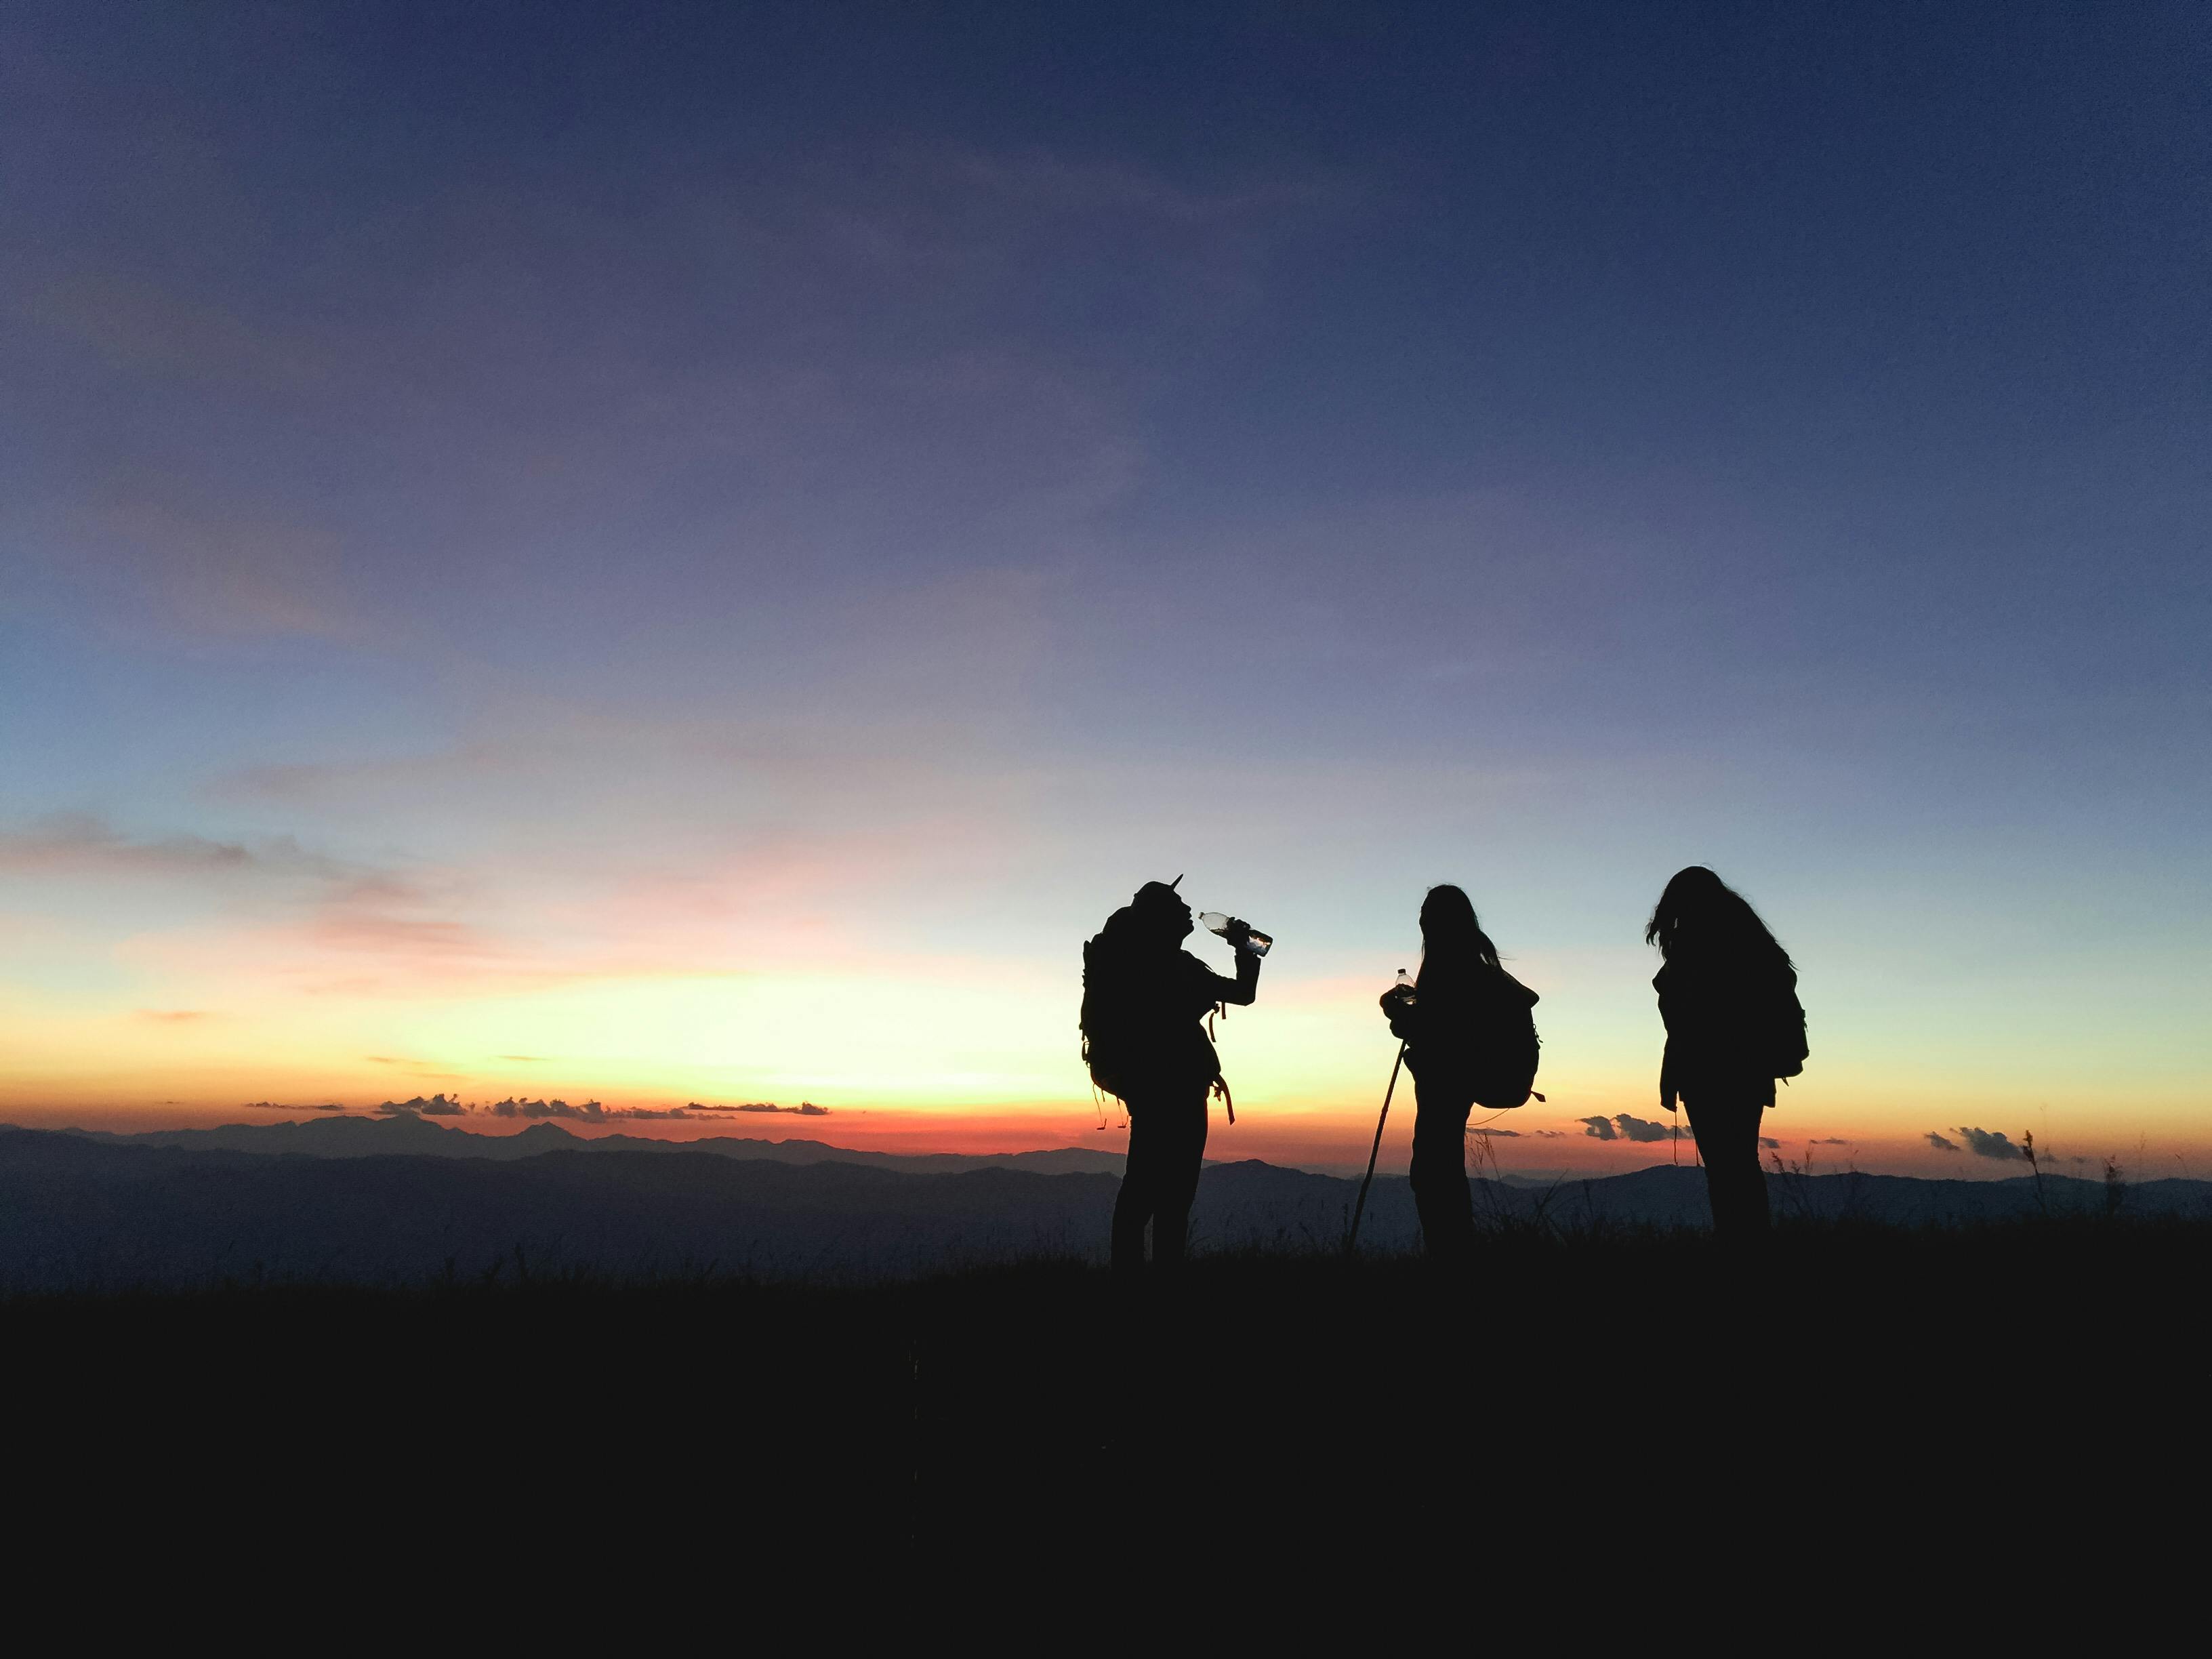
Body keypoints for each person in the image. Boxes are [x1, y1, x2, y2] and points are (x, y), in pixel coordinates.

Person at [1082, 878, 1261, 1275]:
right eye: (1178, 905)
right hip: (1175, 1085)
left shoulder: (1133, 960)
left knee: (1145, 1184)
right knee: (1171, 1190)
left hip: (1149, 1083)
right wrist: (1244, 946)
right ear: (1160, 918)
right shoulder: (1172, 965)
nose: (1187, 911)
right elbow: (1244, 993)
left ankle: (1133, 1276)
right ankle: (1164, 1279)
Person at [1378, 885, 1540, 1263]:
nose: (1422, 923)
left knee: (1434, 1172)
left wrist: (1398, 1013)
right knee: (1438, 1168)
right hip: (1467, 1077)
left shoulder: (1451, 973)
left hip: (1449, 1081)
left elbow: (1441, 1033)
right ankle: (1455, 1258)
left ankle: (1452, 1261)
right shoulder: (1479, 972)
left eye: (1426, 916)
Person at [1646, 866, 1809, 1240]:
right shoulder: (1747, 939)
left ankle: (1740, 1242)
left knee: (1725, 1166)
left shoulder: (1700, 943)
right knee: (1738, 1162)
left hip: (1709, 1069)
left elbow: (1687, 1015)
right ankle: (1749, 1238)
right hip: (1749, 1068)